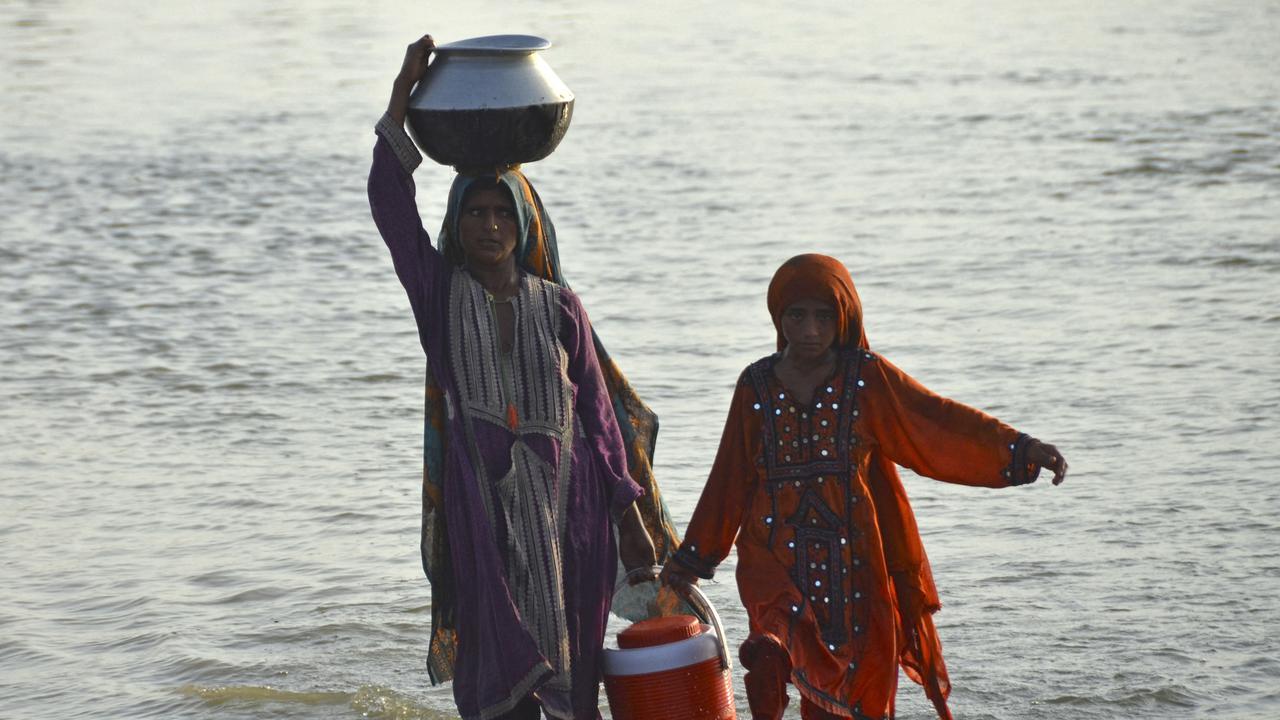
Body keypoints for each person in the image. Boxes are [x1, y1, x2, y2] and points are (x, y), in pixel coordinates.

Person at [368, 34, 678, 720]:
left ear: (524, 222)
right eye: (475, 212)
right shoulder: (440, 295)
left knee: (573, 666)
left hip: (573, 506)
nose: (489, 224)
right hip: (482, 507)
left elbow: (597, 418)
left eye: (503, 211)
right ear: (457, 223)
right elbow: (390, 207)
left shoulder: (560, 307)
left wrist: (630, 517)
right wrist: (401, 93)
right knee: (496, 671)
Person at [659, 254, 1068, 720]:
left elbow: (937, 423)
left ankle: (779, 670)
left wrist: (1018, 448)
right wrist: (694, 556)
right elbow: (730, 476)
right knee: (775, 636)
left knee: (852, 681)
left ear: (844, 316)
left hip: (853, 559)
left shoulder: (867, 377)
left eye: (823, 316)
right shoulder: (755, 384)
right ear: (778, 317)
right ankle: (767, 666)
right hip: (772, 551)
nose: (810, 329)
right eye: (797, 315)